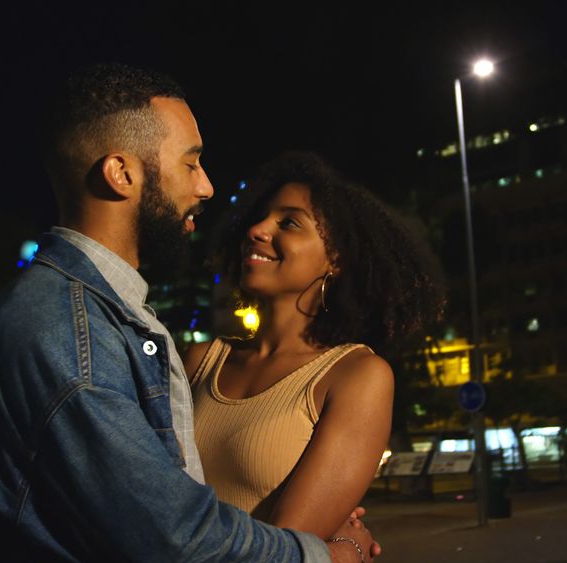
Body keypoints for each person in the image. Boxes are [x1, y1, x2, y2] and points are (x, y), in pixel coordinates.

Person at [0, 63, 375, 563]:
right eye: (190, 164)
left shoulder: (102, 319)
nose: (207, 187)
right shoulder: (70, 330)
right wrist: (326, 559)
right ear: (121, 173)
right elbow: (173, 541)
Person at [184, 152, 445, 540]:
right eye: (260, 216)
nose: (256, 229)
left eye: (288, 222)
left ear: (335, 259)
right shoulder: (198, 361)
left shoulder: (355, 377)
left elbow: (287, 550)